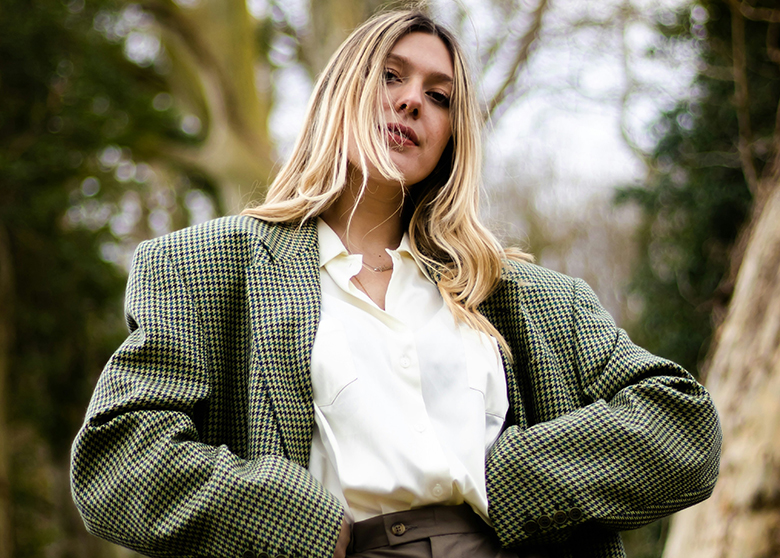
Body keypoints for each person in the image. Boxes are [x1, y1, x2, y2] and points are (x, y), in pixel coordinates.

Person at [70, 9, 721, 558]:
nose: (412, 100)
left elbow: (683, 427)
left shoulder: (529, 298)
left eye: (440, 97)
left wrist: (511, 481)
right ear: (340, 92)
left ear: (451, 139)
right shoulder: (208, 268)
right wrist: (300, 522)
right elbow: (120, 458)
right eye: (390, 76)